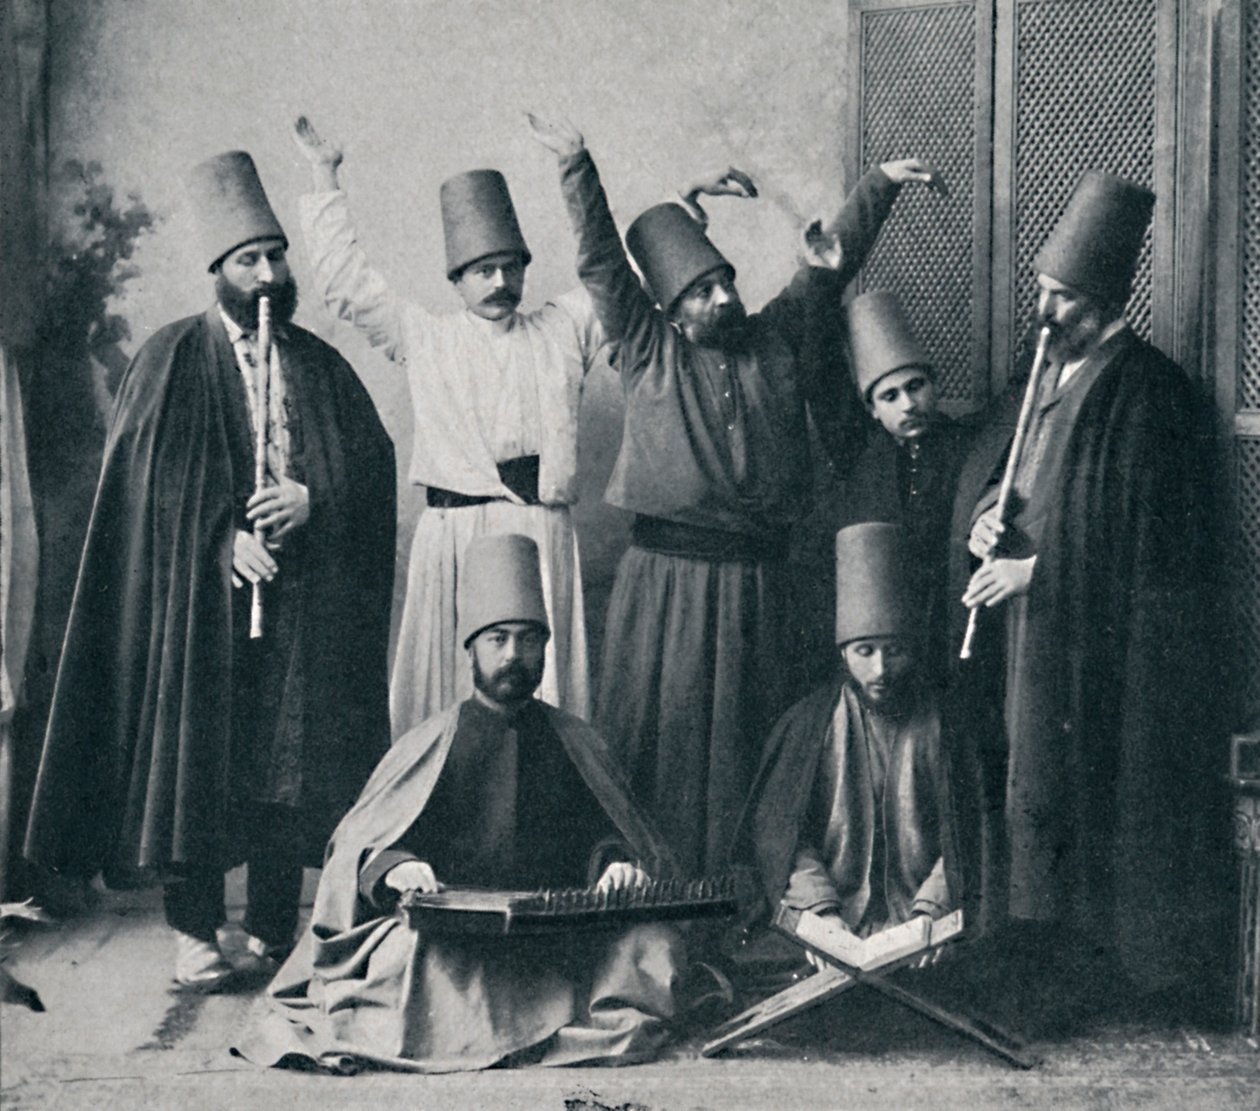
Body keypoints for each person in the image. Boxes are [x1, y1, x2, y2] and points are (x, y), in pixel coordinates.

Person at [528, 112, 942, 876]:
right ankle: (654, 886)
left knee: (759, 750)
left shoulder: (773, 337)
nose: (723, 297)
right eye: (702, 291)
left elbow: (825, 268)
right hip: (668, 591)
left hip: (761, 586)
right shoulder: (643, 348)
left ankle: (753, 897)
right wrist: (576, 164)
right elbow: (602, 261)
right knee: (665, 746)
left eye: (725, 282)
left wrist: (879, 185)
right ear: (671, 311)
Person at [22, 151, 396, 987]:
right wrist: (219, 539)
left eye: (276, 257)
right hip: (201, 611)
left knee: (286, 769)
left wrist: (314, 497)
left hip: (300, 607)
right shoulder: (171, 358)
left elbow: (372, 463)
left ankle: (270, 929)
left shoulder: (317, 364)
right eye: (248, 261)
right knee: (198, 764)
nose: (267, 276)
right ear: (217, 271)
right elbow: (142, 489)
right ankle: (194, 929)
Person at [237, 534, 685, 1073]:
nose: (513, 655)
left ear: (546, 648)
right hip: (455, 941)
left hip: (559, 934)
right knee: (402, 953)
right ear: (471, 648)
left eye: (528, 640)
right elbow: (362, 846)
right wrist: (398, 866)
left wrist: (614, 863)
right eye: (498, 639)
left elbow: (604, 831)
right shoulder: (429, 743)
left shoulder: (577, 741)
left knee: (650, 944)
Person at [960, 171, 1228, 1006]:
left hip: (1088, 640)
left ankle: (1078, 966)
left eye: (1064, 298)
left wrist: (1038, 572)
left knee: (1072, 788)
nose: (1045, 311)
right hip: (1021, 626)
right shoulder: (1043, 374)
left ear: (1108, 301)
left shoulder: (1152, 392)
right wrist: (982, 519)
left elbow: (1162, 552)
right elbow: (1006, 475)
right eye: (1042, 290)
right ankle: (1028, 945)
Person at [292, 115, 601, 731]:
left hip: (540, 534)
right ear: (456, 279)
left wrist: (595, 175)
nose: (501, 282)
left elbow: (618, 279)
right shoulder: (426, 337)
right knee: (447, 701)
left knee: (542, 702)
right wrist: (325, 176)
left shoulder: (563, 328)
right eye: (484, 270)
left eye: (511, 267)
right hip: (454, 541)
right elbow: (345, 286)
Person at [737, 523, 959, 948]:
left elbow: (965, 839)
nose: (880, 670)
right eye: (865, 651)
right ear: (843, 651)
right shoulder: (809, 725)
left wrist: (930, 911)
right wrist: (822, 913)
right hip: (831, 926)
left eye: (894, 650)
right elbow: (784, 838)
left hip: (926, 928)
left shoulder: (944, 725)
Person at [837, 290, 971, 682]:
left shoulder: (967, 444)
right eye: (890, 396)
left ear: (934, 384)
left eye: (916, 386)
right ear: (873, 410)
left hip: (948, 614)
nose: (908, 404)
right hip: (882, 623)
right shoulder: (862, 456)